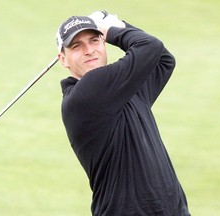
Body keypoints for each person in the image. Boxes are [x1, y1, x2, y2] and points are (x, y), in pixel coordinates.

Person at [55, 11, 191, 216]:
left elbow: (163, 59)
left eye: (94, 40)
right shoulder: (85, 94)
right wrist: (113, 28)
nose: (89, 50)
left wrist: (119, 26)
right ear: (63, 59)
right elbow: (150, 46)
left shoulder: (123, 88)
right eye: (77, 46)